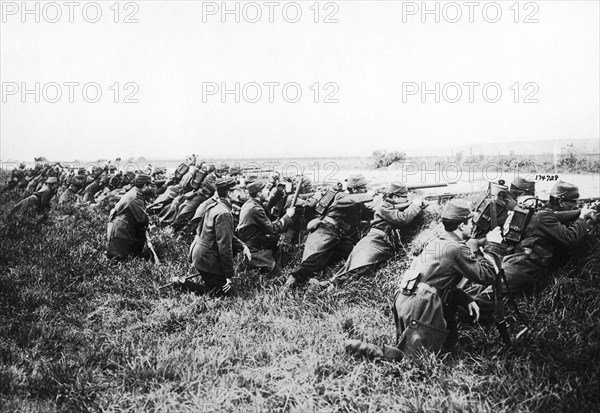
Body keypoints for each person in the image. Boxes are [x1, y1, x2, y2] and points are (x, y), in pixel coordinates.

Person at [346, 199, 506, 360]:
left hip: (407, 302)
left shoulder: (438, 243)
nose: (473, 226)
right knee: (414, 361)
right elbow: (487, 275)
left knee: (443, 353)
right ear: (461, 225)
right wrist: (494, 245)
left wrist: (465, 299)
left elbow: (436, 282)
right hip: (421, 306)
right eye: (471, 222)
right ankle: (362, 349)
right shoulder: (455, 248)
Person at [473, 181, 596, 316]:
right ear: (561, 202)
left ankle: (456, 307)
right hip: (524, 268)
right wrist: (583, 218)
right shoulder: (544, 217)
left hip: (512, 261)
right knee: (485, 298)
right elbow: (570, 238)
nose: (576, 205)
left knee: (481, 289)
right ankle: (457, 316)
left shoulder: (541, 211)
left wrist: (577, 213)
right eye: (573, 202)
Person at [327, 182, 426, 289]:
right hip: (373, 242)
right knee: (360, 268)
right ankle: (331, 285)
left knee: (364, 267)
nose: (407, 199)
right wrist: (415, 206)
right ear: (395, 197)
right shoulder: (385, 206)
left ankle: (332, 284)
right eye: (404, 197)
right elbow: (402, 218)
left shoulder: (392, 206)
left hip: (381, 243)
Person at [284, 174, 374, 289]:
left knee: (352, 252)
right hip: (325, 232)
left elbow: (371, 214)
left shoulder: (358, 205)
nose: (366, 190)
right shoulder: (340, 196)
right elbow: (354, 198)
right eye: (363, 187)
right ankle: (292, 280)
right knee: (316, 260)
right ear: (355, 189)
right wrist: (372, 195)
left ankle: (323, 277)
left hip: (338, 237)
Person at [182, 178, 251, 296]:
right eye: (236, 191)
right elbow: (225, 247)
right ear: (229, 193)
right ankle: (183, 284)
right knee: (224, 295)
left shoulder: (214, 206)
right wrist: (229, 275)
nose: (239, 193)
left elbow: (226, 236)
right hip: (206, 259)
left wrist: (242, 246)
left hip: (200, 254)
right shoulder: (224, 213)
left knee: (222, 290)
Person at [236, 179, 295, 273]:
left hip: (252, 242)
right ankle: (260, 264)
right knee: (280, 274)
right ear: (259, 194)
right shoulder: (255, 209)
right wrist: (287, 216)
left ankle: (276, 260)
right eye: (267, 190)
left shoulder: (251, 203)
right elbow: (273, 229)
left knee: (275, 241)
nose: (270, 193)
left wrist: (279, 190)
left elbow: (268, 204)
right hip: (254, 249)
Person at [106, 174, 154, 260]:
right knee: (120, 260)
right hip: (121, 234)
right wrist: (149, 224)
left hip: (121, 230)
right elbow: (142, 218)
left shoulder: (134, 192)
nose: (150, 188)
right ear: (144, 185)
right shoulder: (135, 197)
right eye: (149, 185)